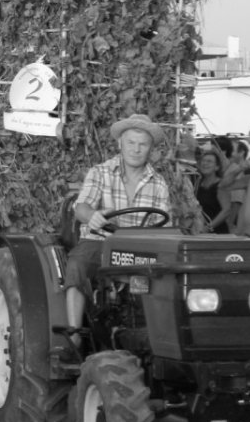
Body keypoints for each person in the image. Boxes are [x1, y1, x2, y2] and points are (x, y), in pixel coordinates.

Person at [64, 114, 171, 348]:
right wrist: (91, 216)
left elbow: (163, 224)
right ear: (120, 144)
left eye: (142, 144)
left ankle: (156, 334)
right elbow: (81, 206)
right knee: (78, 264)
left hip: (139, 247)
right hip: (100, 241)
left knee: (168, 275)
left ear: (150, 148)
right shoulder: (100, 172)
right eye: (131, 143)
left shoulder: (159, 183)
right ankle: (73, 335)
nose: (136, 149)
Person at [195, 148, 231, 233]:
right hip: (201, 232)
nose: (205, 163)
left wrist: (208, 227)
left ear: (217, 167)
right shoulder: (198, 184)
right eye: (203, 161)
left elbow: (226, 211)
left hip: (218, 233)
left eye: (209, 161)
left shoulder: (221, 185)